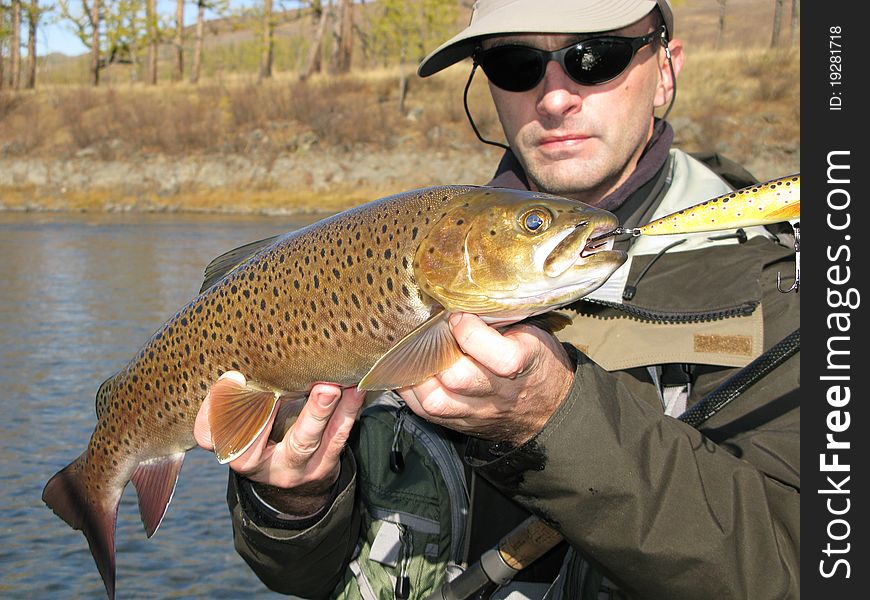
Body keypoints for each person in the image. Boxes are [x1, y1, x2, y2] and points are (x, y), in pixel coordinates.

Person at [194, 1, 800, 598]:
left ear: (666, 72)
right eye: (515, 64)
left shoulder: (782, 287)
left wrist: (555, 420)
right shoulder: (410, 251)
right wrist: (294, 502)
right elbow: (309, 575)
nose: (555, 97)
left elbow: (794, 570)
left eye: (596, 57)